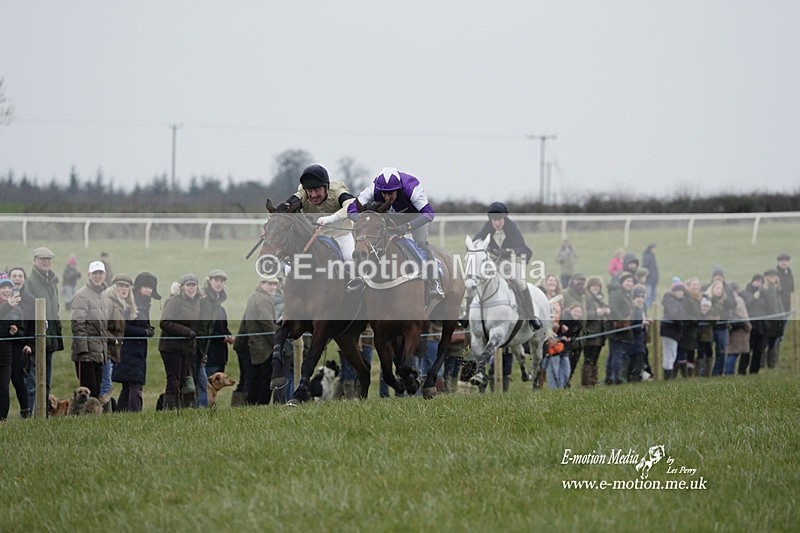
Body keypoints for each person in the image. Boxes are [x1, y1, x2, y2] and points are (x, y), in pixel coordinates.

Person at [348, 167, 444, 299]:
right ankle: (360, 278)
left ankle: (434, 283)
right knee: (373, 243)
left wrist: (407, 226)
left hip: (415, 217)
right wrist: (362, 220)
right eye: (384, 193)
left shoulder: (412, 189)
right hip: (390, 217)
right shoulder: (373, 189)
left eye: (391, 193)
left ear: (399, 189)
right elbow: (351, 209)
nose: (387, 197)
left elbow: (429, 214)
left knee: (421, 243)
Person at [471, 202, 540, 330]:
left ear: (504, 218)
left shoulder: (512, 227)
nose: (497, 223)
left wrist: (508, 251)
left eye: (499, 220)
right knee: (477, 279)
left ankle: (531, 316)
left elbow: (521, 246)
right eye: (494, 220)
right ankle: (468, 314)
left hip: (513, 259)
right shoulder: (487, 226)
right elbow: (476, 239)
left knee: (519, 282)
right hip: (495, 260)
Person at [277, 164, 357, 263]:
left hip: (341, 237)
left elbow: (353, 205)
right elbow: (289, 204)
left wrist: (332, 218)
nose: (313, 195)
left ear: (326, 187)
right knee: (289, 267)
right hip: (315, 239)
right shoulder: (302, 192)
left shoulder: (337, 191)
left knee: (349, 258)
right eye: (310, 191)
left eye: (317, 190)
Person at [25, 246, 64, 415]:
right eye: (42, 259)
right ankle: (29, 416)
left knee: (46, 381)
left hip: (50, 337)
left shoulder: (52, 282)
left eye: (48, 259)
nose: (46, 262)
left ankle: (43, 415)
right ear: (35, 261)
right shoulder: (30, 282)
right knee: (33, 382)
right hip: (36, 337)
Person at [112, 272, 159, 412]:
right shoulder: (132, 303)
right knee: (135, 385)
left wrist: (147, 330)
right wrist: (143, 332)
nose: (148, 290)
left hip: (135, 350)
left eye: (151, 287)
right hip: (129, 350)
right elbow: (124, 327)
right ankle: (135, 415)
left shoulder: (143, 304)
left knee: (128, 386)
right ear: (138, 287)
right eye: (145, 286)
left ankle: (119, 415)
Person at [158, 274, 201, 409]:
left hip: (186, 348)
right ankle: (170, 409)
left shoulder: (196, 302)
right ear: (182, 287)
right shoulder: (174, 301)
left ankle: (179, 409)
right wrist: (186, 332)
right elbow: (165, 322)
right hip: (171, 347)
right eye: (188, 285)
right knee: (174, 379)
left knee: (183, 380)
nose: (191, 288)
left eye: (193, 285)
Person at [70, 260, 110, 399]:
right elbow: (77, 324)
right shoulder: (81, 295)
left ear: (104, 275)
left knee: (97, 389)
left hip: (98, 351)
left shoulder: (104, 295)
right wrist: (83, 351)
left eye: (100, 273)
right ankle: (83, 418)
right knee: (87, 390)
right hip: (86, 353)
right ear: (89, 275)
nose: (98, 276)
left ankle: (93, 419)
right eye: (95, 273)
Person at [197, 269, 233, 408]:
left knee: (213, 389)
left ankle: (210, 410)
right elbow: (203, 329)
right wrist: (221, 337)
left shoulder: (221, 308)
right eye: (216, 280)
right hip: (208, 352)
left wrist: (228, 335)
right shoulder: (204, 303)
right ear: (210, 281)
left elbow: (223, 327)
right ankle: (202, 409)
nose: (219, 284)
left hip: (220, 353)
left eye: (222, 281)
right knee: (205, 386)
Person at [242, 277, 278, 405]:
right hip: (265, 348)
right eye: (270, 283)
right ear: (261, 283)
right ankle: (261, 405)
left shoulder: (254, 297)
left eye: (275, 284)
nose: (274, 287)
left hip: (255, 346)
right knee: (265, 380)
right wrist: (277, 345)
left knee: (255, 379)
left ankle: (251, 405)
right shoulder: (264, 299)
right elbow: (267, 324)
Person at [104, 274, 136, 409]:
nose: (124, 289)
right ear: (114, 287)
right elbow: (101, 328)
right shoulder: (109, 302)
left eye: (126, 286)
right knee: (106, 385)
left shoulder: (123, 305)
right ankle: (103, 415)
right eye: (120, 286)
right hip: (105, 349)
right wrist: (116, 340)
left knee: (107, 383)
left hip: (112, 350)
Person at [8, 267, 34, 418]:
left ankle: (25, 413)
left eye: (20, 276)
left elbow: (32, 325)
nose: (17, 278)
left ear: (24, 279)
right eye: (14, 276)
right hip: (5, 343)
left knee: (19, 381)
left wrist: (29, 344)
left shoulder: (30, 299)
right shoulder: (4, 296)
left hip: (21, 345)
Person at [0, 273, 23, 421]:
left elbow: (22, 330)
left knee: (3, 389)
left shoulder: (16, 309)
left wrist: (15, 330)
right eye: (3, 287)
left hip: (5, 353)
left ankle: (2, 420)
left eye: (9, 287)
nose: (7, 290)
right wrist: (8, 305)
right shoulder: (9, 306)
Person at [581, 275, 609, 387]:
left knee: (595, 358)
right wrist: (596, 312)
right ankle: (587, 382)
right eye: (594, 285)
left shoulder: (600, 297)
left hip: (600, 333)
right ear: (589, 286)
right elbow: (584, 313)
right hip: (590, 333)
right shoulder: (586, 297)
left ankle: (592, 381)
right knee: (589, 358)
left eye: (598, 286)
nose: (596, 287)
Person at [739, 274, 767, 375]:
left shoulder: (764, 295)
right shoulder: (744, 293)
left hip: (761, 326)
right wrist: (754, 298)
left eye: (761, 282)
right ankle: (742, 371)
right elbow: (745, 306)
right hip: (749, 326)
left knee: (758, 351)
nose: (758, 283)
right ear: (752, 281)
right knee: (746, 350)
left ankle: (754, 371)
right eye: (757, 281)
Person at [660, 281, 686, 380]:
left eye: (681, 291)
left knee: (671, 354)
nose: (680, 293)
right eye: (677, 290)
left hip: (672, 331)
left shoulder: (675, 301)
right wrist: (680, 325)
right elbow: (674, 315)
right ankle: (667, 377)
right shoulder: (671, 301)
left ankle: (669, 376)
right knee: (669, 355)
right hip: (670, 331)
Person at [725, 282, 751, 376]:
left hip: (733, 328)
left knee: (732, 352)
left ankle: (729, 372)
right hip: (740, 329)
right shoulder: (738, 300)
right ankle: (729, 372)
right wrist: (748, 326)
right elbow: (743, 314)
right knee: (734, 353)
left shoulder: (727, 300)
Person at [762, 269, 785, 369]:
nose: (772, 278)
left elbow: (779, 304)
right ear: (766, 277)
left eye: (774, 276)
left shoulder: (777, 290)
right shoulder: (764, 289)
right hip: (767, 320)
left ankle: (772, 364)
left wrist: (782, 316)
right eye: (770, 276)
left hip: (777, 320)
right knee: (763, 343)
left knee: (774, 343)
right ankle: (761, 364)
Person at [774, 252, 794, 355]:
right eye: (782, 261)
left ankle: (776, 355)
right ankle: (771, 357)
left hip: (787, 307)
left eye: (786, 261)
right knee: (776, 333)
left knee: (781, 334)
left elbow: (791, 291)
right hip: (777, 309)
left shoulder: (790, 274)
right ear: (778, 262)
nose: (784, 263)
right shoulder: (775, 274)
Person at [641, 244, 659, 309]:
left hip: (654, 280)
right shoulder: (647, 257)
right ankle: (646, 307)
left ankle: (651, 308)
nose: (655, 250)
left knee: (653, 296)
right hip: (649, 280)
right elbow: (645, 267)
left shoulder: (652, 257)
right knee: (648, 295)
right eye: (654, 249)